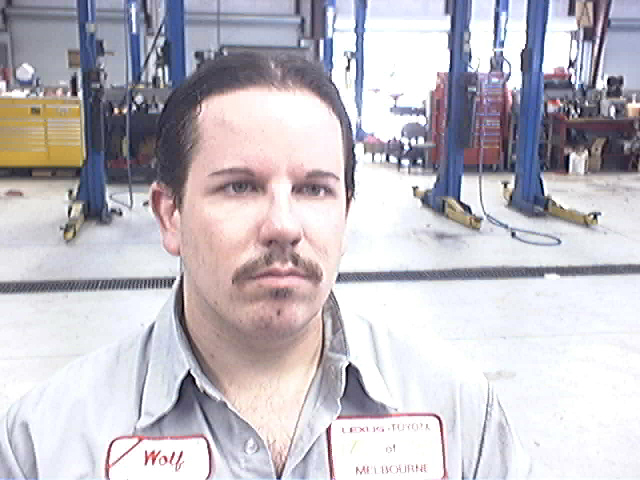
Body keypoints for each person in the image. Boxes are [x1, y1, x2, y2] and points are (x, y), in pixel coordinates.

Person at [0, 53, 531, 479]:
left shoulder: (460, 414)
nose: (283, 225)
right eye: (240, 186)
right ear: (169, 215)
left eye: (314, 189)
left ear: (346, 216)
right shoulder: (44, 445)